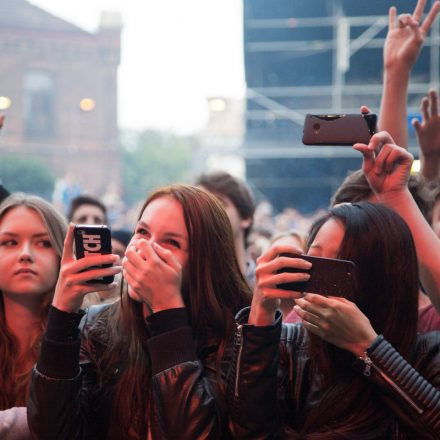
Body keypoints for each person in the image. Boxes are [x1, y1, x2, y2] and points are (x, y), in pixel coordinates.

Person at [228, 136, 440, 438]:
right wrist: (261, 313)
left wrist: (369, 348)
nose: (319, 276)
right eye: (313, 258)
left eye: (338, 264)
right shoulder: (291, 344)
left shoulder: (427, 353)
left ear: (381, 276)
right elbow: (248, 429)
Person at [28, 184, 251, 439]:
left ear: (204, 261)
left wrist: (167, 311)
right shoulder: (98, 327)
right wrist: (62, 314)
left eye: (171, 242)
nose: (146, 249)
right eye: (142, 232)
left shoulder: (242, 339)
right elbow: (51, 431)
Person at [0, 193, 67, 438]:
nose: (25, 254)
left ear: (64, 255)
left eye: (44, 243)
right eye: (9, 242)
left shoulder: (94, 339)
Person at [196, 171, 256, 286]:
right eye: (199, 205)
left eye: (218, 203)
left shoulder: (267, 290)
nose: (206, 212)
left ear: (246, 217)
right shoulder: (184, 287)